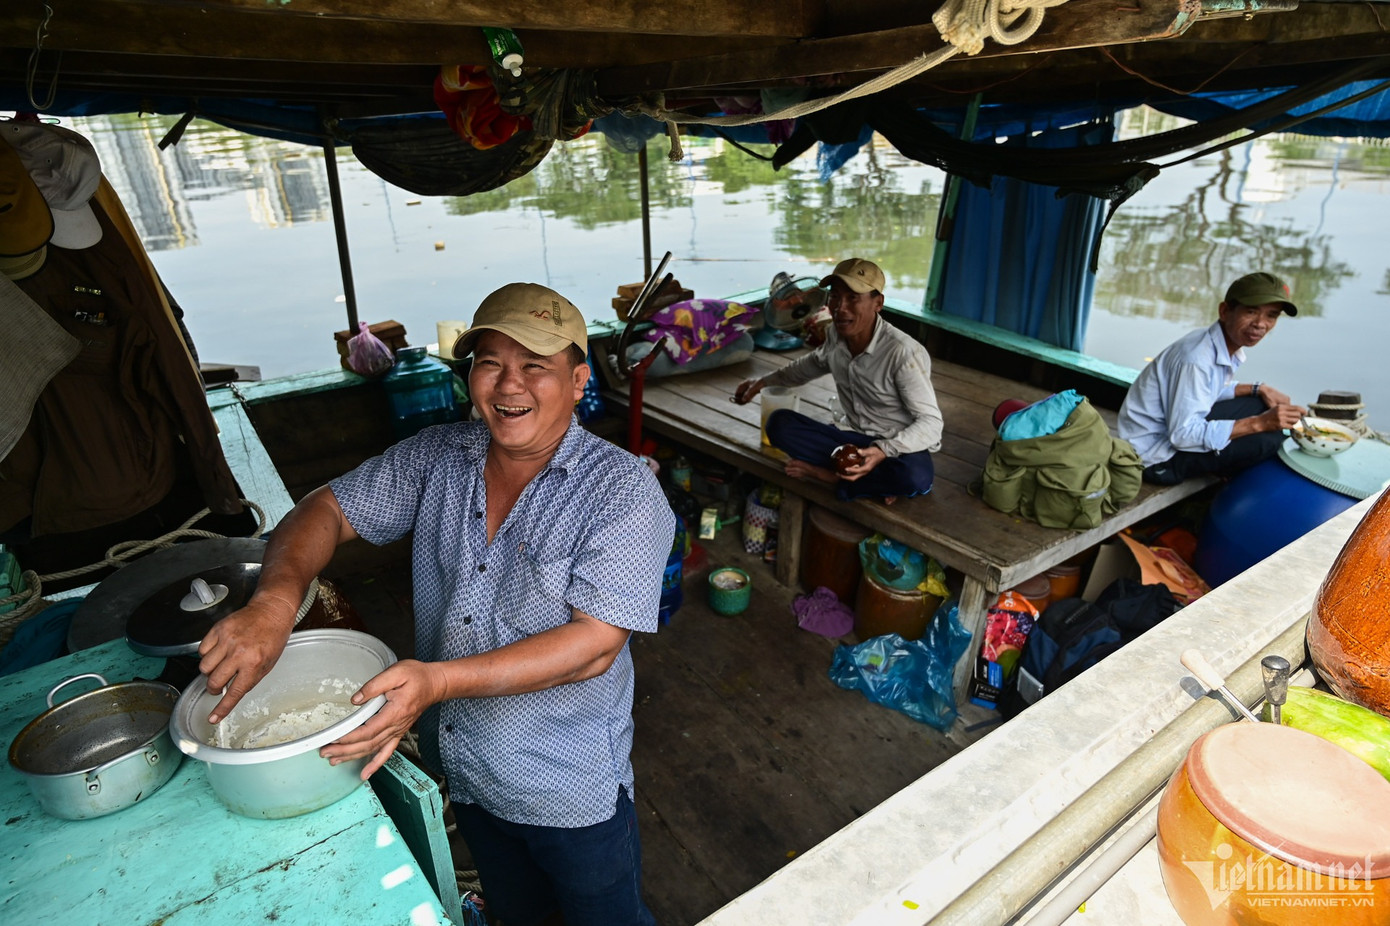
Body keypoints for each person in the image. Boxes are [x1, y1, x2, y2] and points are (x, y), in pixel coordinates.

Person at [198, 283, 676, 926]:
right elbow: (326, 509)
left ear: (579, 378)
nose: (510, 386)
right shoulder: (438, 456)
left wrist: (436, 682)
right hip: (468, 767)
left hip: (569, 785)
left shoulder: (622, 494)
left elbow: (594, 647)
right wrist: (276, 601)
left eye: (535, 365)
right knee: (517, 912)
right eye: (490, 363)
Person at [732, 257, 943, 502]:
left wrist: (883, 450)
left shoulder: (902, 352)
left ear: (878, 303)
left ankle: (832, 476)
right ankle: (872, 482)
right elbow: (808, 366)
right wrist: (762, 382)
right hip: (850, 438)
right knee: (779, 424)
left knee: (916, 478)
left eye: (853, 297)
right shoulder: (835, 335)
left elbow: (931, 424)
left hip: (896, 446)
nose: (840, 307)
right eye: (835, 296)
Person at [1117, 271, 1306, 485]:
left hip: (1165, 436)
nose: (1261, 324)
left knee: (1258, 403)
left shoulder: (1213, 343)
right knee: (1270, 439)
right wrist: (1260, 423)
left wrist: (1257, 388)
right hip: (1154, 458)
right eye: (1251, 311)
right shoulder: (1196, 359)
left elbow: (1206, 390)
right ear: (1225, 311)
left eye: (1271, 315)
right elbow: (1182, 435)